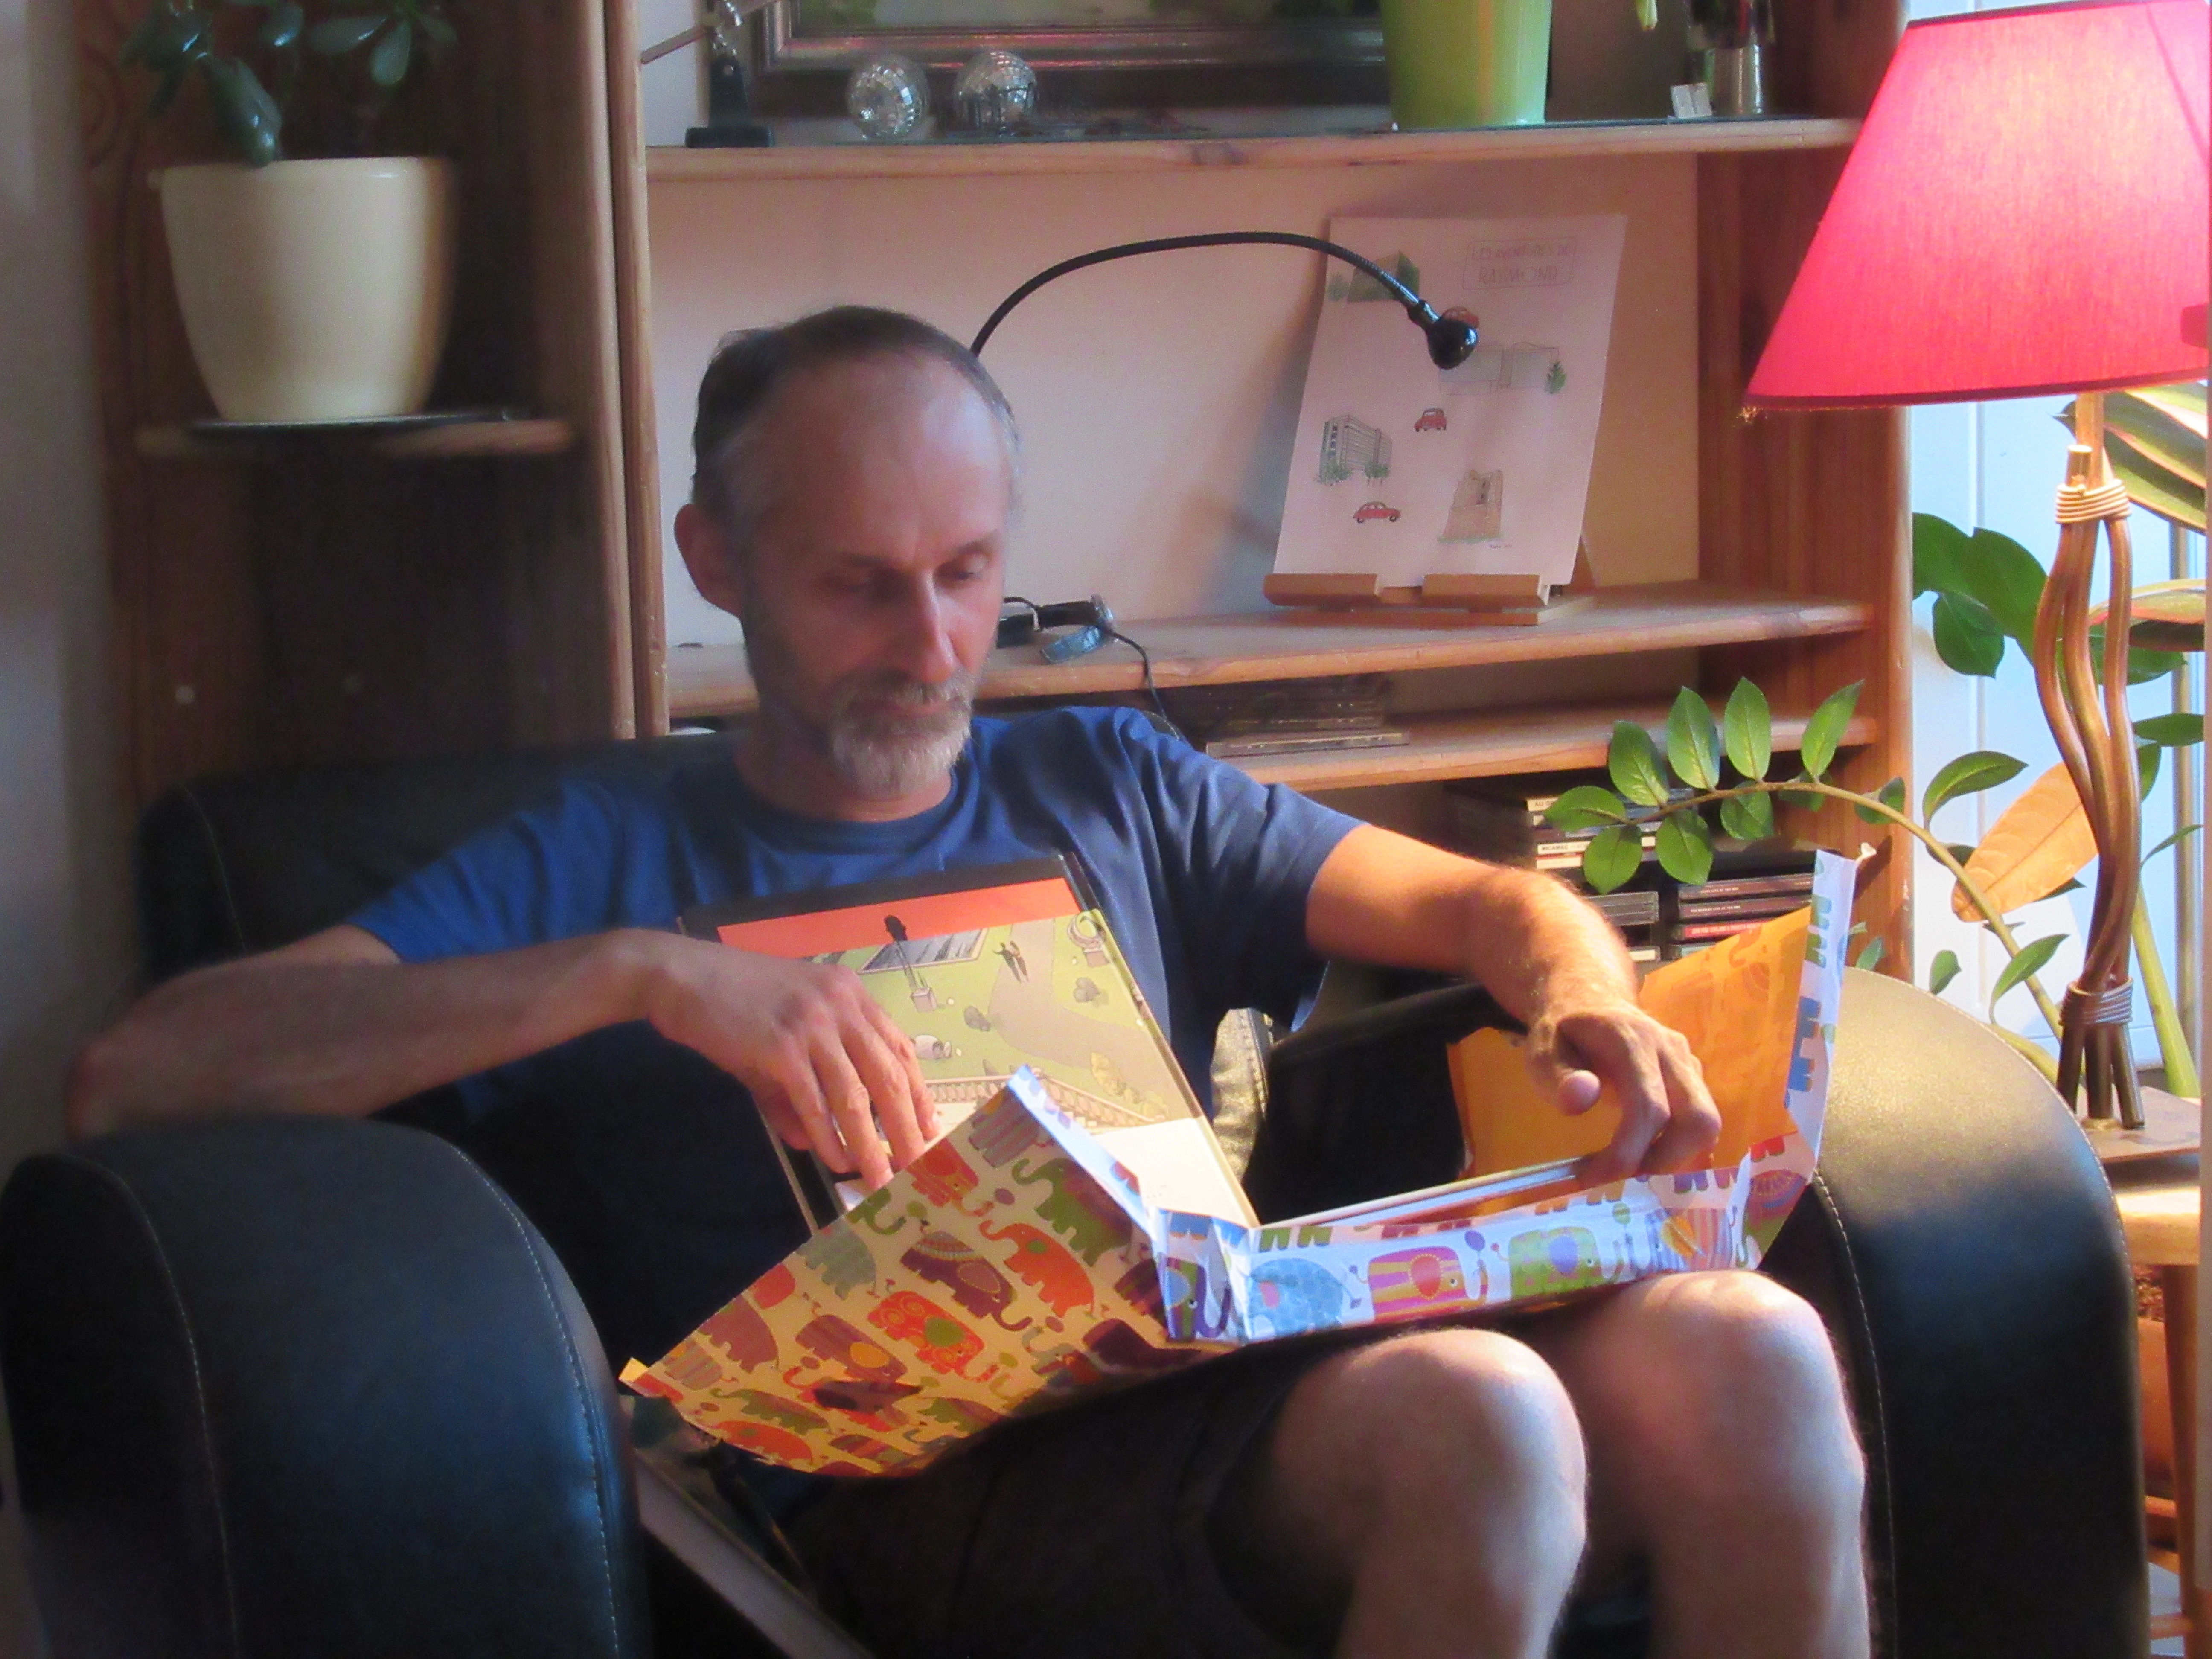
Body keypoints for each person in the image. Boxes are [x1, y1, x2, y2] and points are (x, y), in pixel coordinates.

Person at [68, 307, 1869, 1659]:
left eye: (968, 575)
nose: (930, 645)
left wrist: (1578, 995)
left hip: (1213, 1381)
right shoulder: (599, 855)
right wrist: (636, 976)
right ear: (717, 562)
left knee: (1758, 1358)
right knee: (1484, 1423)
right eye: (860, 587)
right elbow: (144, 1071)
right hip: (897, 1486)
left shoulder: (1115, 783)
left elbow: (1488, 903)